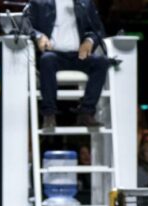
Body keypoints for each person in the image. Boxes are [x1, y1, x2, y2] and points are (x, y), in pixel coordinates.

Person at [24, 0, 109, 128]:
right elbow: (25, 25)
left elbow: (98, 29)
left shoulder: (84, 3)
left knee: (101, 62)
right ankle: (49, 115)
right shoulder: (39, 2)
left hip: (78, 55)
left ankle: (86, 112)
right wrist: (38, 36)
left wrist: (89, 40)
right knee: (47, 59)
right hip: (54, 54)